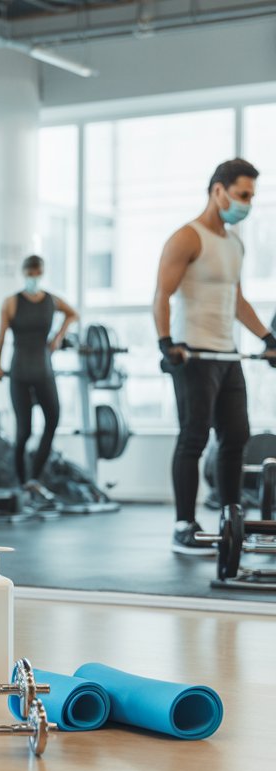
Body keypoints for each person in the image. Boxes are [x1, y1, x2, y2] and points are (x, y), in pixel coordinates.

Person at [154, 158, 276, 555]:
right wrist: (165, 341)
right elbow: (162, 295)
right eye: (243, 195)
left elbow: (236, 300)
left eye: (252, 196)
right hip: (193, 355)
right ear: (218, 190)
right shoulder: (186, 238)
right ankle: (184, 525)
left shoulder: (234, 242)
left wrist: (267, 337)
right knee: (194, 437)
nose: (247, 203)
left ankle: (231, 519)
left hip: (227, 355)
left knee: (237, 437)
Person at [0, 255, 79, 492]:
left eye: (38, 273)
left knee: (53, 418)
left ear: (42, 273)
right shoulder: (11, 302)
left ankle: (35, 477)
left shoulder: (51, 300)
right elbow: (2, 335)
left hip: (43, 368)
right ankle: (22, 483)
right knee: (24, 431)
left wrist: (59, 336)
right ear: (24, 274)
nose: (34, 277)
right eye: (30, 273)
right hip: (20, 370)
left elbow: (73, 313)